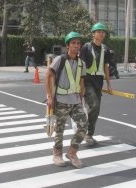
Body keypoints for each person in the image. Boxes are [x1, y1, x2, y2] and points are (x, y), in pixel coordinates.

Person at [45, 31, 87, 168]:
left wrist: (81, 98)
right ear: (68, 45)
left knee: (83, 126)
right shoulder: (60, 60)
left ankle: (72, 152)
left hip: (75, 101)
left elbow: (81, 82)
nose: (76, 45)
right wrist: (50, 96)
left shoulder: (81, 63)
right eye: (73, 43)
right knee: (60, 129)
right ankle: (57, 154)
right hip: (61, 100)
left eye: (78, 43)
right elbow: (48, 75)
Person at [80, 23, 112, 145]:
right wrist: (80, 84)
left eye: (103, 32)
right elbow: (81, 66)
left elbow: (106, 67)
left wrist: (109, 84)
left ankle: (89, 133)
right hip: (87, 80)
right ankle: (87, 133)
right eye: (98, 31)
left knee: (96, 109)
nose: (101, 33)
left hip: (98, 82)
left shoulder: (105, 49)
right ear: (93, 33)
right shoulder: (86, 47)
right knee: (94, 105)